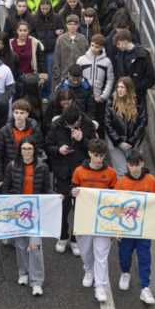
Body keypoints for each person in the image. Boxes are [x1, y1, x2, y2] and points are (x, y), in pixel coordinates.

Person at [72, 138, 120, 302]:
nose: (99, 159)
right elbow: (73, 192)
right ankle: (89, 269)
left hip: (104, 221)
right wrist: (74, 194)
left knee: (101, 254)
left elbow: (115, 198)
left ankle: (100, 286)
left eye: (102, 156)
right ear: (89, 153)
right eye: (96, 155)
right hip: (85, 218)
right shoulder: (79, 171)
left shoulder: (112, 173)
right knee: (85, 250)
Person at [2, 136, 50, 296]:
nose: (27, 152)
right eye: (24, 149)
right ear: (19, 151)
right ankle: (23, 273)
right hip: (18, 214)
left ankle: (36, 282)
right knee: (21, 245)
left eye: (29, 149)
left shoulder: (42, 167)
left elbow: (46, 189)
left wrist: (56, 197)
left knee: (35, 246)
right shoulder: (12, 166)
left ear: (34, 150)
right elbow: (6, 188)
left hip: (35, 214)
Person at [45, 103, 95, 255]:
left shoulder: (88, 125)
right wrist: (58, 150)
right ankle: (62, 236)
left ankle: (75, 239)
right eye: (67, 124)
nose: (69, 126)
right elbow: (47, 146)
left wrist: (82, 140)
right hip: (62, 173)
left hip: (81, 174)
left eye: (73, 124)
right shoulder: (57, 124)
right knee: (62, 207)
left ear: (79, 119)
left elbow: (96, 148)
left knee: (80, 209)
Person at [117, 149, 155, 305]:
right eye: (131, 165)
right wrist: (116, 229)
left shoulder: (151, 180)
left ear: (142, 164)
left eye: (137, 165)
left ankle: (145, 287)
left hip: (144, 228)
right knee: (124, 255)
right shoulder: (121, 183)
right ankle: (125, 272)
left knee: (144, 257)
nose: (134, 169)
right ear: (127, 165)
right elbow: (116, 207)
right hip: (126, 229)